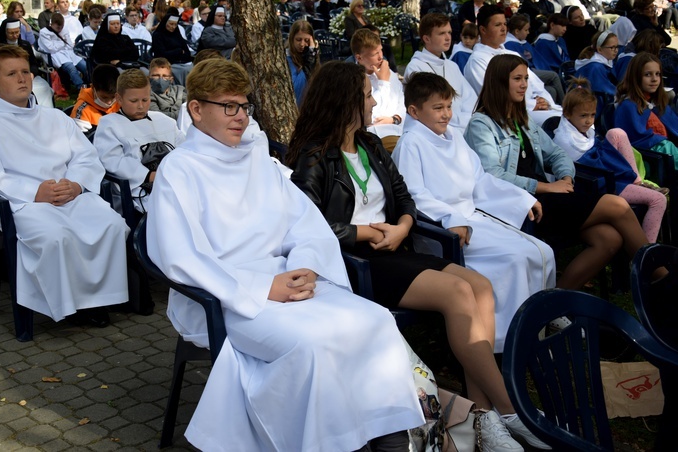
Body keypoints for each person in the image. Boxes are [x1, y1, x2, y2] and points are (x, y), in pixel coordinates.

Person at [147, 57, 425, 451]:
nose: (240, 116)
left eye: (245, 106)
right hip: (224, 296)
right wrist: (262, 287)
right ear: (196, 109)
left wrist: (305, 267)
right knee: (312, 345)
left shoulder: (257, 158)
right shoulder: (180, 170)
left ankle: (388, 437)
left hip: (287, 280)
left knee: (376, 322)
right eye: (229, 106)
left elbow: (306, 223)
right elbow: (181, 258)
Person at [288, 61, 551, 452]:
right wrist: (363, 231)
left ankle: (481, 417)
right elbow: (307, 224)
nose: (374, 99)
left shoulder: (371, 143)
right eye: (365, 94)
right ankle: (512, 412)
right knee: (459, 293)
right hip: (354, 262)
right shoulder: (314, 156)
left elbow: (405, 197)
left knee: (480, 287)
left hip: (394, 245)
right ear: (344, 101)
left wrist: (404, 225)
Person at [0, 45, 129, 327]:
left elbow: (84, 156)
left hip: (69, 195)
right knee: (57, 236)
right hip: (24, 204)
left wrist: (76, 184)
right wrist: (33, 192)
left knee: (110, 224)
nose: (22, 79)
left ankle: (97, 300)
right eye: (11, 74)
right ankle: (66, 305)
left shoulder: (53, 117)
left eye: (25, 71)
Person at [392, 71, 555, 353]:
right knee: (515, 258)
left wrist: (520, 198)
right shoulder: (410, 144)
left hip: (472, 217)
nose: (446, 115)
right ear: (414, 111)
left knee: (542, 251)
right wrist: (451, 218)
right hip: (444, 230)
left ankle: (537, 324)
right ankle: (505, 343)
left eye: (448, 107)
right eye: (438, 108)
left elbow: (479, 178)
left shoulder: (453, 135)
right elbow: (414, 195)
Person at [465, 54, 656, 291]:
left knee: (609, 239)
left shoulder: (522, 119)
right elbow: (493, 175)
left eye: (525, 78)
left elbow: (557, 153)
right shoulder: (481, 124)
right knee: (618, 206)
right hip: (520, 203)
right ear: (498, 82)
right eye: (517, 79)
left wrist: (565, 177)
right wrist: (548, 187)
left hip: (549, 196)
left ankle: (554, 299)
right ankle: (657, 275)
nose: (524, 84)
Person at [553, 78, 667, 243]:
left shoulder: (582, 131)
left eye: (592, 115)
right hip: (601, 184)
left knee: (617, 133)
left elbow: (599, 151)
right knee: (658, 200)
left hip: (606, 174)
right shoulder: (565, 140)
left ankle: (637, 182)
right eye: (583, 116)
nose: (589, 121)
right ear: (567, 114)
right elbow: (590, 168)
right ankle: (646, 254)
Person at [94, 69, 184, 213]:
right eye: (134, 101)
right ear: (119, 98)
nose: (141, 106)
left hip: (174, 179)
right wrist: (148, 175)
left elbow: (183, 149)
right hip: (138, 190)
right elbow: (112, 160)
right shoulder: (109, 125)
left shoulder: (165, 121)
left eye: (145, 99)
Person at [464, 5, 561, 125]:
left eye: (505, 24)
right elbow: (494, 96)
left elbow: (536, 84)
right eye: (498, 25)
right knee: (559, 124)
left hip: (535, 108)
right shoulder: (478, 60)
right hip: (508, 116)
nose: (504, 29)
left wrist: (545, 101)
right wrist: (532, 104)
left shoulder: (512, 54)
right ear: (483, 30)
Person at [405, 13, 477, 132]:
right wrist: (461, 121)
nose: (448, 38)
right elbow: (426, 110)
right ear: (426, 38)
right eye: (442, 33)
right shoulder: (416, 68)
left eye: (449, 32)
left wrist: (465, 120)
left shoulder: (452, 66)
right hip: (435, 131)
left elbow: (470, 99)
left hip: (463, 128)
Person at [615, 52, 678, 169]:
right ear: (635, 77)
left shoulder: (657, 103)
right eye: (648, 74)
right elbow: (637, 140)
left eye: (658, 74)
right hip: (649, 160)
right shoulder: (628, 106)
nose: (654, 79)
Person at [351, 29, 404, 145]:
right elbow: (373, 114)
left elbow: (401, 100)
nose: (381, 57)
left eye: (381, 51)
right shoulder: (354, 79)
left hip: (399, 129)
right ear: (359, 58)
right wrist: (383, 82)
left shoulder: (386, 71)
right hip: (375, 136)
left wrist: (395, 118)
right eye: (375, 54)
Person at [0, 18, 55, 108]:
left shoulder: (25, 45)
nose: (15, 36)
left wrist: (32, 74)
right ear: (5, 32)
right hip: (8, 78)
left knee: (44, 88)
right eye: (11, 33)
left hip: (28, 76)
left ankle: (46, 112)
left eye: (17, 32)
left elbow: (34, 64)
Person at [505, 14, 564, 104]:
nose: (528, 33)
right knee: (554, 76)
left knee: (551, 90)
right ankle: (565, 105)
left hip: (533, 70)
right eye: (526, 30)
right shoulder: (509, 44)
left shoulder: (523, 42)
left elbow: (537, 59)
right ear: (517, 31)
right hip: (528, 72)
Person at [37, 13, 89, 91]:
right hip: (56, 56)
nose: (60, 29)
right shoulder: (44, 33)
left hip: (69, 53)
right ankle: (81, 88)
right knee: (72, 69)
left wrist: (60, 44)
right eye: (58, 28)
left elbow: (69, 44)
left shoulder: (64, 29)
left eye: (61, 27)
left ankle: (89, 85)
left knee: (85, 67)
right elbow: (51, 48)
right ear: (52, 24)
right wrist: (62, 43)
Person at [151, 8, 193, 85]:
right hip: (166, 64)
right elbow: (161, 55)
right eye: (171, 24)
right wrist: (178, 51)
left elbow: (187, 53)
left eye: (175, 24)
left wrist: (174, 53)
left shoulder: (177, 34)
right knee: (184, 70)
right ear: (165, 23)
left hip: (181, 63)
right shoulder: (158, 35)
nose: (173, 27)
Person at [70, 63, 121, 127]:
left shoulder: (122, 102)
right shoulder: (82, 111)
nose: (109, 102)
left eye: (113, 97)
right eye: (104, 97)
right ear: (93, 88)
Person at [573, 31, 618, 96]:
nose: (616, 50)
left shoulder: (607, 62)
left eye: (617, 47)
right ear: (599, 49)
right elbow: (605, 89)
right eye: (612, 47)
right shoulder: (595, 67)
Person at [286, 19, 319, 107]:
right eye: (298, 39)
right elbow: (297, 89)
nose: (302, 44)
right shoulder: (287, 58)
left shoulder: (312, 54)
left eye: (307, 40)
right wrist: (309, 61)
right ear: (292, 38)